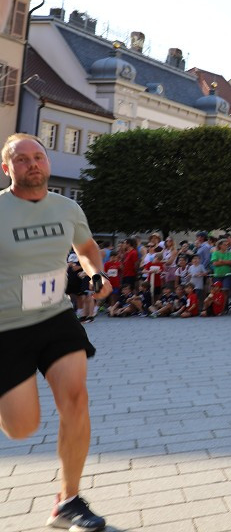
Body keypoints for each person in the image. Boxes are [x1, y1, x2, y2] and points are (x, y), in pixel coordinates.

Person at [0, 133, 112, 531]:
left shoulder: (67, 207)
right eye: (23, 158)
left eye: (39, 156)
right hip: (6, 328)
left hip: (54, 318)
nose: (33, 163)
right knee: (21, 428)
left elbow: (86, 246)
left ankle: (68, 500)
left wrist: (95, 272)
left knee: (76, 397)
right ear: (7, 168)